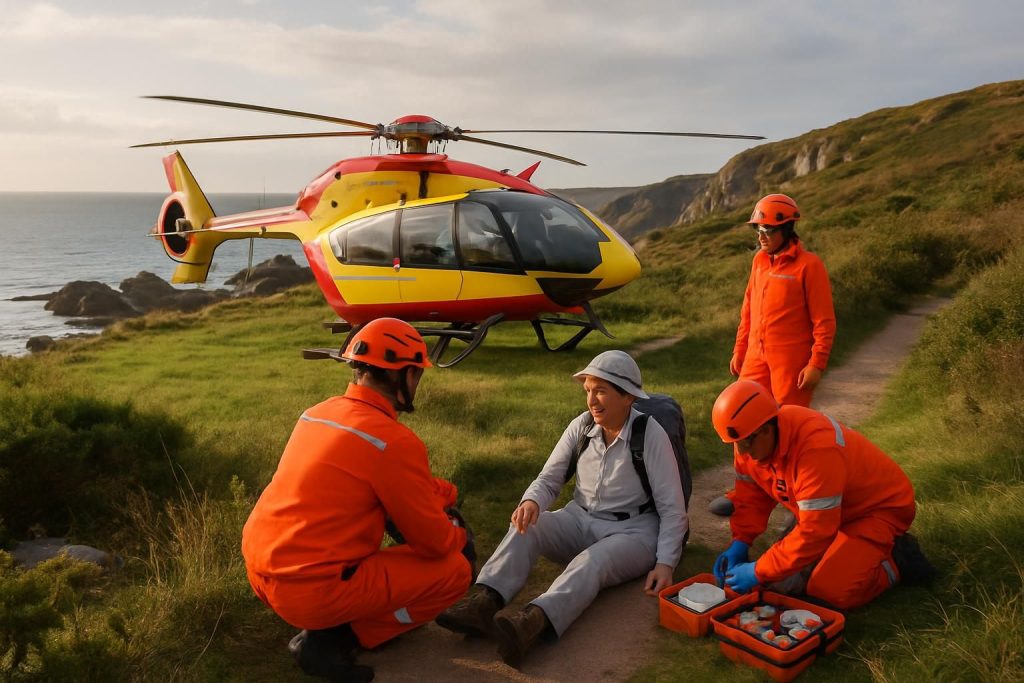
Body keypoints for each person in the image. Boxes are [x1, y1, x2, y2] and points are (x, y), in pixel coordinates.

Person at [241, 318, 473, 682]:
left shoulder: (318, 413)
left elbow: (388, 480)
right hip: (312, 591)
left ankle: (328, 627)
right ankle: (337, 638)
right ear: (407, 376)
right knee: (456, 569)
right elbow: (434, 543)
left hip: (262, 573)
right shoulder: (393, 441)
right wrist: (458, 532)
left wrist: (443, 493)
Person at [436, 350, 687, 667]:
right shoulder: (581, 427)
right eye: (588, 391)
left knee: (592, 561)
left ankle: (532, 623)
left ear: (628, 397)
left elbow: (672, 507)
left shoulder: (651, 436)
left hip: (633, 533)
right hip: (579, 518)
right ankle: (486, 601)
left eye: (601, 391)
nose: (592, 401)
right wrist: (531, 501)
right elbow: (549, 478)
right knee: (529, 524)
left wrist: (665, 563)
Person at [710, 380, 933, 610]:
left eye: (745, 442)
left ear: (766, 429)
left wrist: (757, 570)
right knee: (781, 583)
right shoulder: (752, 439)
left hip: (877, 512)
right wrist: (740, 541)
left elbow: (815, 532)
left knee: (827, 592)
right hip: (828, 511)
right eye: (735, 444)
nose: (742, 452)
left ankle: (897, 558)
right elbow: (751, 498)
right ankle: (839, 551)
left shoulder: (817, 449)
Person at [711, 193, 837, 516]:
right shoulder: (758, 263)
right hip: (755, 360)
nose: (761, 237)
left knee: (787, 432)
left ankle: (796, 502)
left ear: (786, 229)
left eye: (767, 230)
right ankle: (745, 492)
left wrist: (816, 363)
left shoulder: (810, 266)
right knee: (739, 423)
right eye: (758, 230)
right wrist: (739, 351)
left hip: (792, 367)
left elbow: (824, 321)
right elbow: (748, 312)